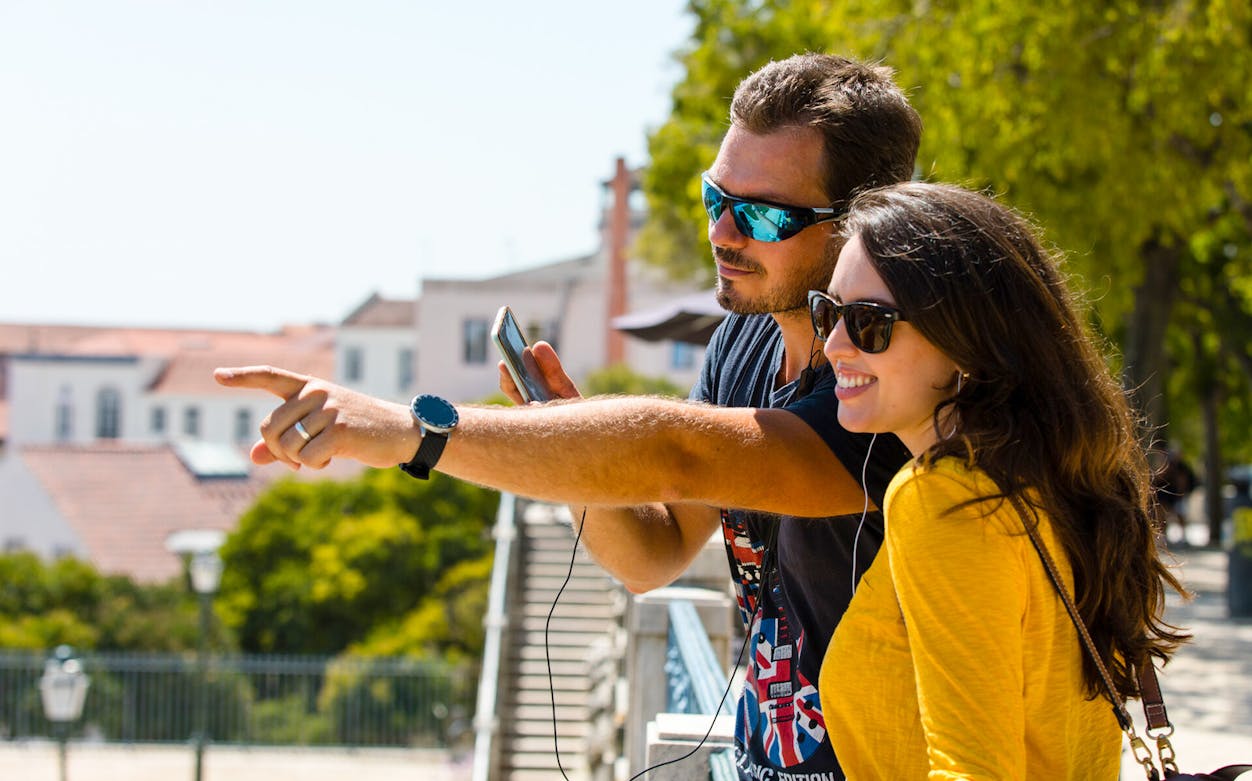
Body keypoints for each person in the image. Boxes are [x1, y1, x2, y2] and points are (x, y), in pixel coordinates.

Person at [216, 53, 922, 780]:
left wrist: (411, 431)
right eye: (715, 198)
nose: (723, 233)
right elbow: (656, 550)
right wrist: (573, 445)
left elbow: (678, 452)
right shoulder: (743, 339)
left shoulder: (890, 378)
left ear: (864, 221)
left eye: (765, 214)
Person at [810, 182, 1187, 778]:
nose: (832, 345)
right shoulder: (1047, 485)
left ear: (965, 337)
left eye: (868, 323)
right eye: (827, 313)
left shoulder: (943, 498)